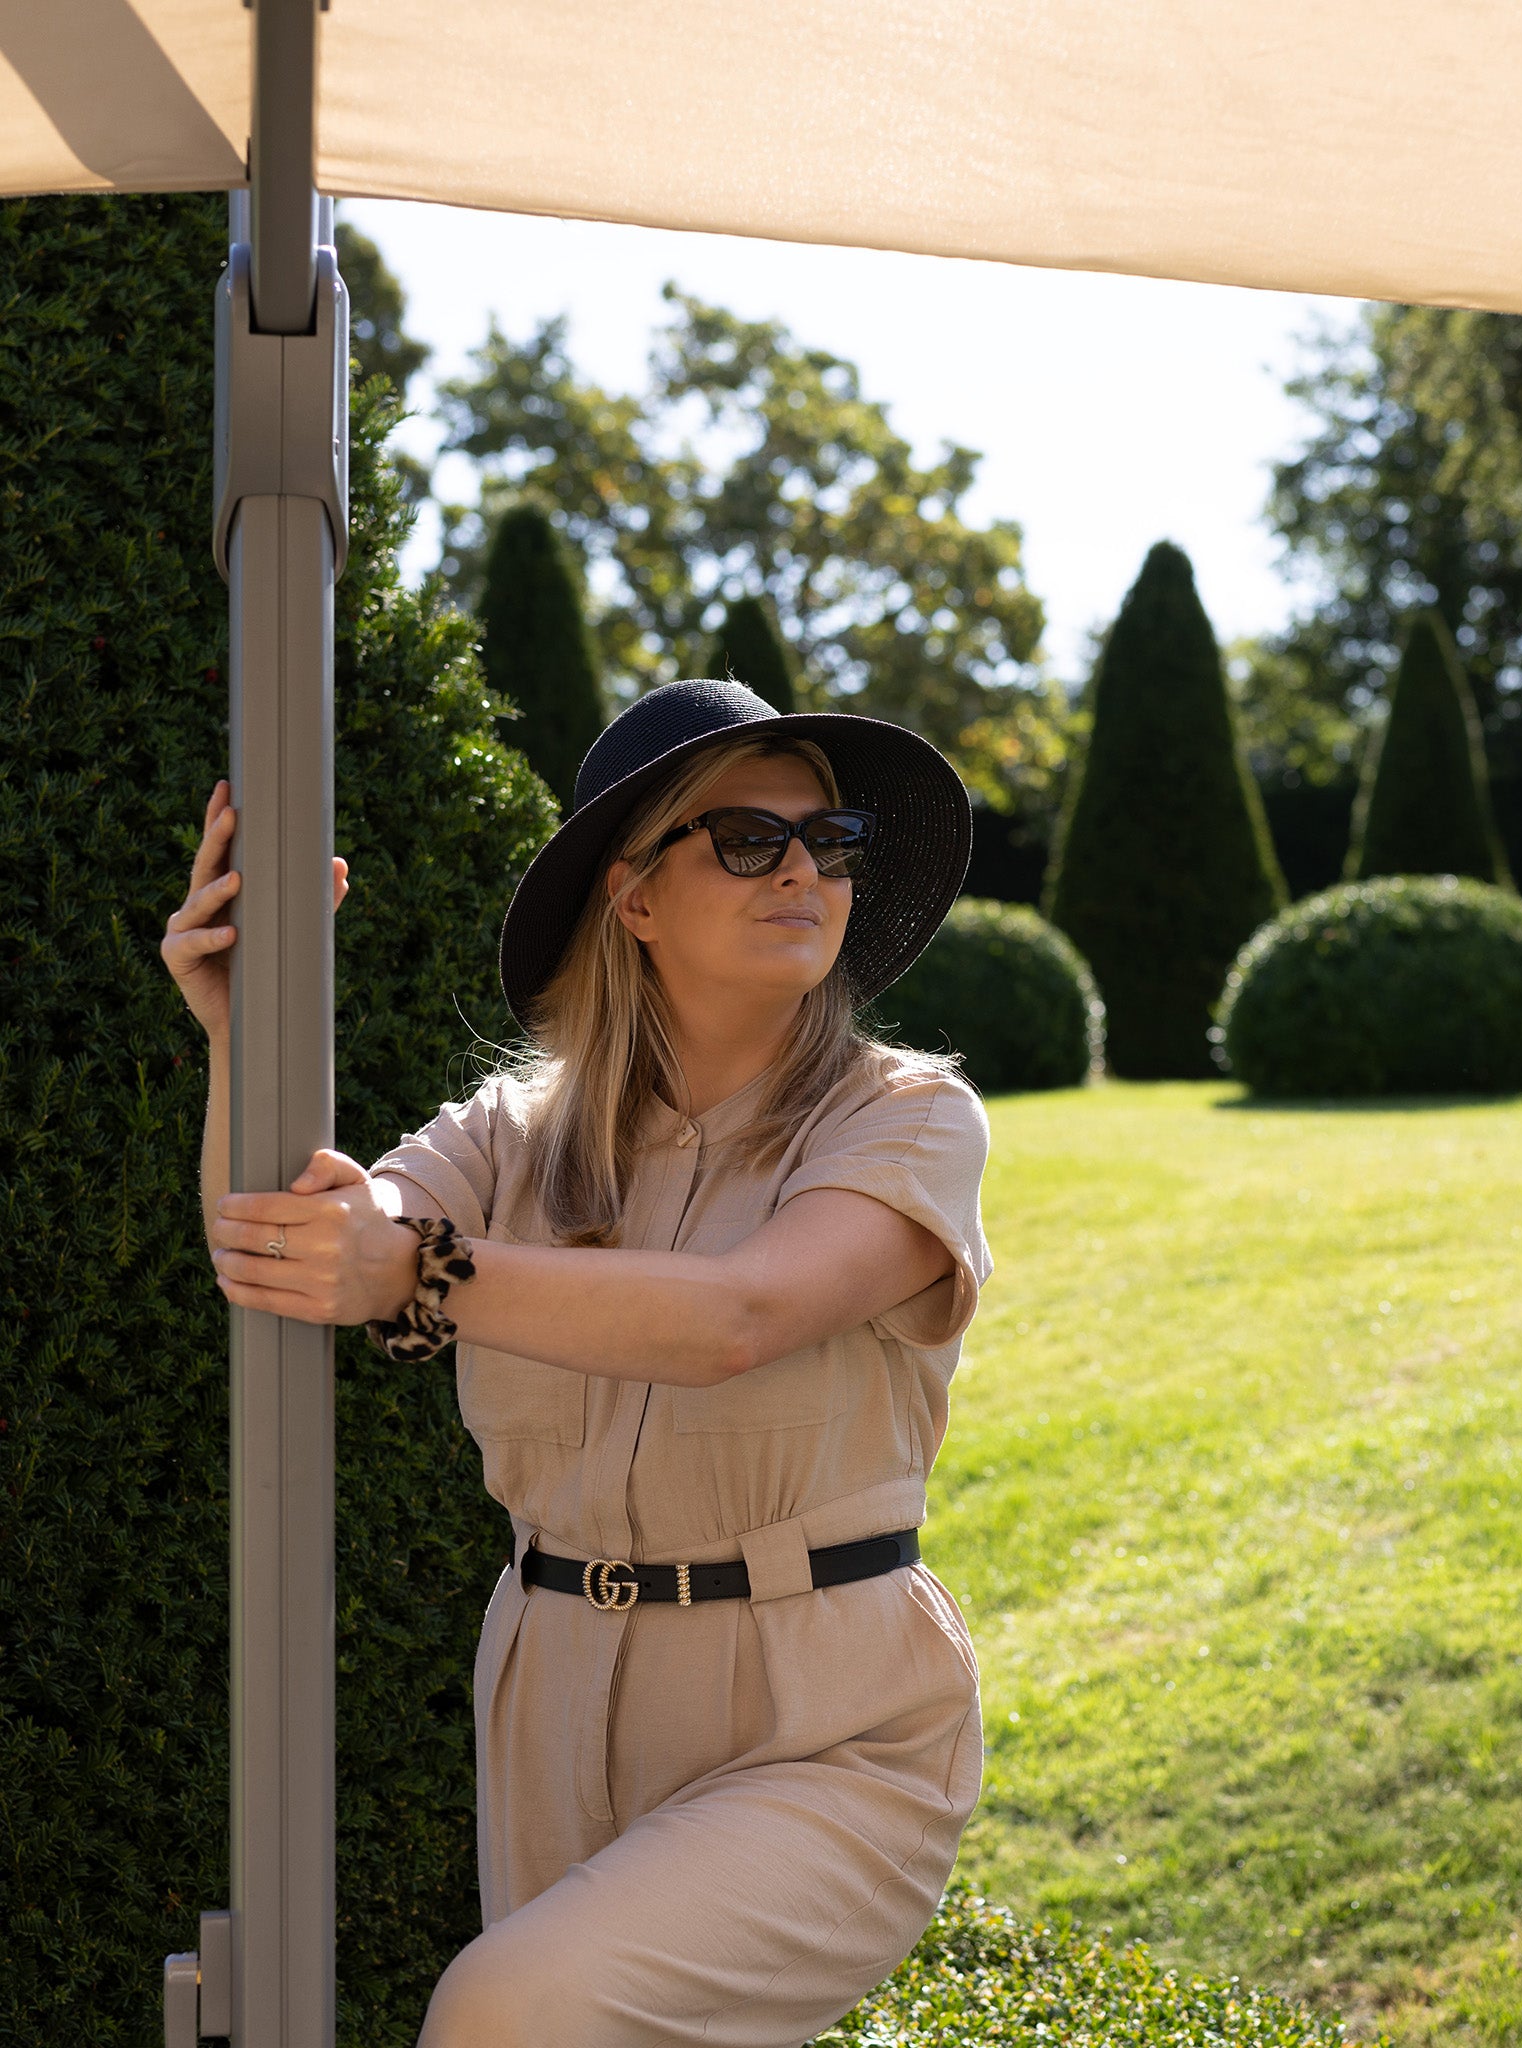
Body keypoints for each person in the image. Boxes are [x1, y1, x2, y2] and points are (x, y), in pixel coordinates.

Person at [161, 679, 991, 2047]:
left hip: (827, 1723)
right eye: (746, 839)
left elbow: (737, 1318)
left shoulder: (904, 1119)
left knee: (507, 2008)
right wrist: (246, 1037)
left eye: (829, 840)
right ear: (636, 897)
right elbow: (302, 1253)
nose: (803, 868)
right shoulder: (512, 1132)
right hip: (551, 1687)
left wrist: (425, 1270)